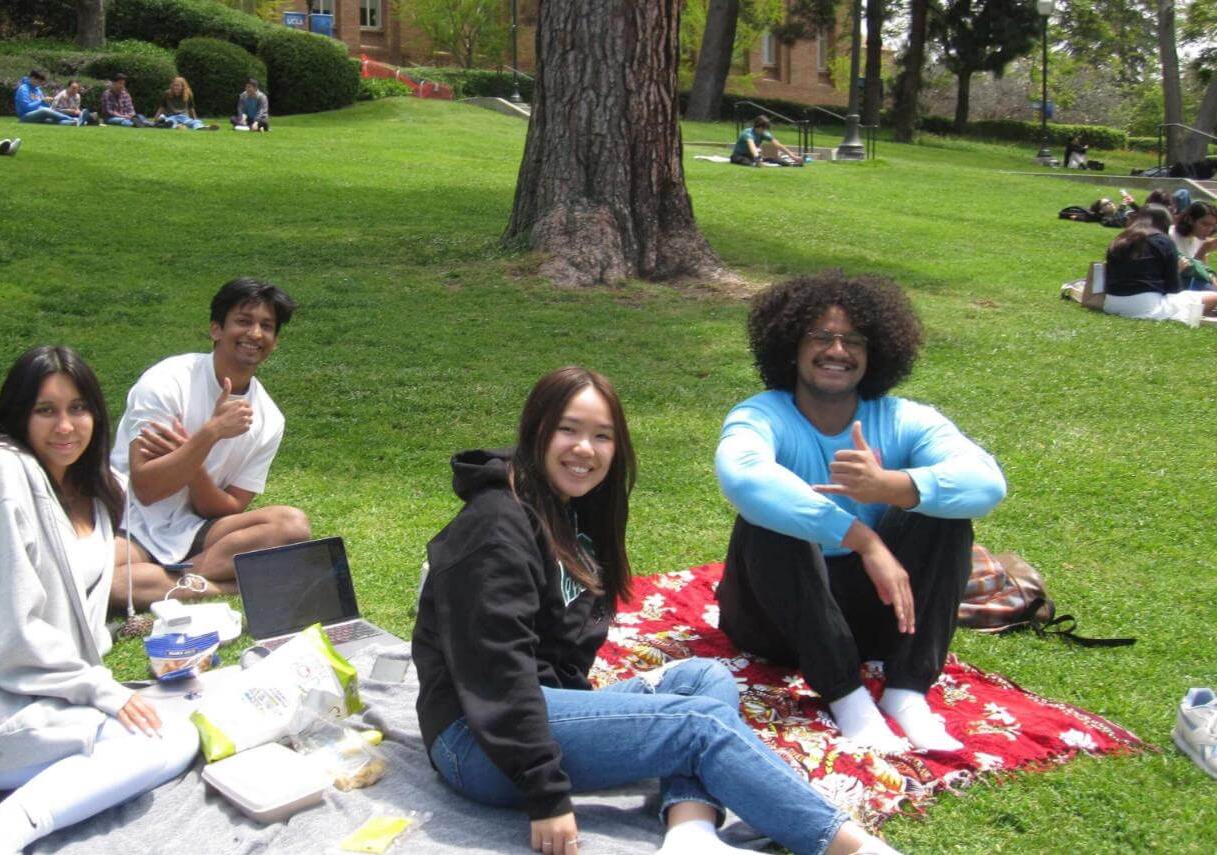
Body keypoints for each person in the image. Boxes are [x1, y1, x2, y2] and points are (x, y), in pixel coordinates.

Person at [414, 366, 903, 855]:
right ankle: (852, 847)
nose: (585, 449)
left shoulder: (569, 510)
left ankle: (691, 834)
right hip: (476, 742)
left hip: (536, 712)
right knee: (699, 725)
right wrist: (546, 792)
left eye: (602, 436)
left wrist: (605, 720)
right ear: (535, 429)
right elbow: (495, 670)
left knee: (704, 679)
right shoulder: (495, 525)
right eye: (568, 429)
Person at [0, 346, 197, 854]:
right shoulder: (2, 473)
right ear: (19, 414)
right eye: (46, 410)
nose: (65, 426)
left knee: (181, 732)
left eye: (78, 408)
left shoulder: (94, 492)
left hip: (39, 693)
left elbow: (77, 617)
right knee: (156, 741)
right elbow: (6, 633)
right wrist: (103, 692)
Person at [715, 272, 1007, 755]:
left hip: (873, 620)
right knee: (768, 517)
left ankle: (907, 691)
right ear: (790, 345)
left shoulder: (904, 419)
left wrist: (892, 486)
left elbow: (987, 483)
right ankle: (846, 696)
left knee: (944, 514)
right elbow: (744, 477)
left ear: (875, 353)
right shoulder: (762, 414)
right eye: (821, 337)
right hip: (772, 620)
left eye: (853, 340)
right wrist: (862, 538)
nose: (837, 350)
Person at [109, 278, 311, 608]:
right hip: (130, 522)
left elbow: (228, 508)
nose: (255, 334)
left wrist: (191, 464)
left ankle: (167, 580)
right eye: (243, 322)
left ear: (275, 341)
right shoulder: (167, 381)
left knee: (292, 525)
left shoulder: (269, 418)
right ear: (216, 329)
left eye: (267, 326)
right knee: (99, 580)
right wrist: (210, 433)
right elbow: (146, 488)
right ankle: (224, 586)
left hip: (196, 532)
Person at [1103, 206, 1217, 324]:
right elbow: (1173, 289)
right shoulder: (1164, 242)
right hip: (1145, 308)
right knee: (1213, 297)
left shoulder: (1119, 240)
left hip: (1111, 303)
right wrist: (1178, 271)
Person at [730, 115, 801, 167]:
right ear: (759, 127)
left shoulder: (763, 133)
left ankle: (789, 164)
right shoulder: (747, 133)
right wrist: (757, 159)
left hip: (752, 156)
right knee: (747, 162)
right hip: (738, 156)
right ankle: (756, 161)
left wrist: (793, 156)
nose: (766, 131)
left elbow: (778, 145)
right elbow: (752, 147)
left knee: (776, 160)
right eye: (765, 128)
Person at [14, 69, 80, 125]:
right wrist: (42, 101)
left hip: (39, 113)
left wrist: (48, 103)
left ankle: (73, 122)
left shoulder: (37, 90)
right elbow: (27, 108)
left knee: (50, 119)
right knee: (45, 111)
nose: (40, 83)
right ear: (32, 78)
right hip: (25, 117)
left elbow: (44, 105)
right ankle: (72, 119)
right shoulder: (23, 89)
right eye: (39, 81)